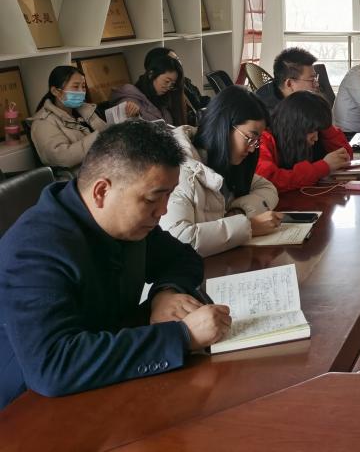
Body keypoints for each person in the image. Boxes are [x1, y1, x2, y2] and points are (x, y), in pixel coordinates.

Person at [0, 121, 232, 409]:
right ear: (101, 191)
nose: (162, 211)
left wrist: (166, 293)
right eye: (153, 199)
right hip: (29, 406)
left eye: (168, 196)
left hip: (111, 376)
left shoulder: (128, 222)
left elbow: (183, 258)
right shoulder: (33, 250)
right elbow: (53, 365)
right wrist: (182, 337)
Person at [161, 86, 282, 257]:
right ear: (224, 126)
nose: (252, 149)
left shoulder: (227, 163)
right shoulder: (181, 169)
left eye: (256, 141)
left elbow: (267, 188)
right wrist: (248, 227)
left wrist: (240, 211)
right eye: (250, 138)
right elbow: (179, 238)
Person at [257, 91, 354, 192]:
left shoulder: (311, 131)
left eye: (318, 130)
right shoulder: (262, 141)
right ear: (294, 126)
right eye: (312, 130)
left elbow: (345, 156)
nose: (316, 138)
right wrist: (322, 167)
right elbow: (268, 181)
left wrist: (323, 122)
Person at [29, 65, 108, 171]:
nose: (81, 91)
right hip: (84, 175)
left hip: (105, 165)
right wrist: (99, 136)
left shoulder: (86, 109)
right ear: (56, 91)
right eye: (75, 87)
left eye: (83, 86)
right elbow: (61, 158)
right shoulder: (43, 122)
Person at [110, 47, 186, 125]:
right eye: (166, 81)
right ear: (151, 74)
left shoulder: (162, 99)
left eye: (172, 84)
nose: (168, 87)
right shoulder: (129, 101)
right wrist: (134, 116)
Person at [256, 47, 321, 113]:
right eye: (311, 80)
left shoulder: (290, 98)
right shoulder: (272, 114)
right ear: (289, 83)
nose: (317, 84)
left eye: (315, 78)